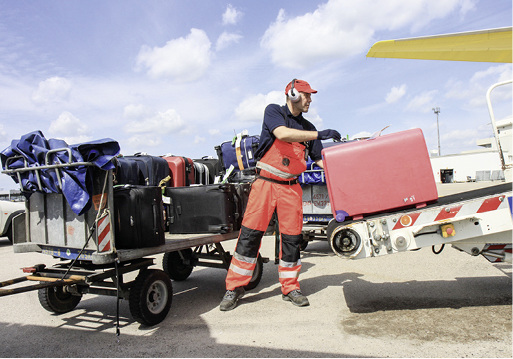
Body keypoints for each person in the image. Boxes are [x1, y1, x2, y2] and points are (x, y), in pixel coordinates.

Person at [219, 79, 341, 311]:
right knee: (250, 236)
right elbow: (282, 134)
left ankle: (290, 287)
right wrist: (319, 134)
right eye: (307, 95)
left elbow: (318, 160)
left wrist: (341, 166)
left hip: (291, 189)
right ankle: (234, 288)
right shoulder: (274, 112)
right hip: (265, 184)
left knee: (292, 239)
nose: (310, 100)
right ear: (293, 94)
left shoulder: (308, 126)